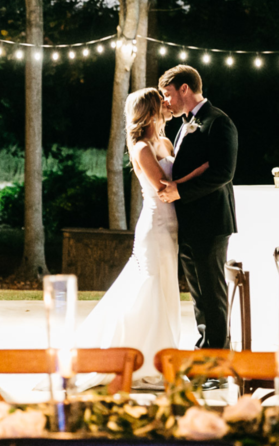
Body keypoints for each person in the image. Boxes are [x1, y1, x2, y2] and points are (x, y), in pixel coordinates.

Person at [72, 87, 208, 390]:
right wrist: (200, 173)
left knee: (165, 290)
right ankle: (144, 361)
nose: (166, 107)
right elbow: (163, 187)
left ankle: (159, 355)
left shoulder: (164, 141)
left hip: (172, 228)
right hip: (155, 227)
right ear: (149, 112)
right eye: (160, 104)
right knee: (150, 289)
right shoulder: (141, 148)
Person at [157, 65, 238, 355]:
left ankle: (217, 362)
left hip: (212, 222)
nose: (166, 101)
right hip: (189, 222)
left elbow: (223, 172)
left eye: (168, 94)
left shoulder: (218, 122)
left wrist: (179, 190)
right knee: (198, 296)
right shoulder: (184, 124)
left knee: (213, 294)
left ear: (184, 89)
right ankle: (204, 352)